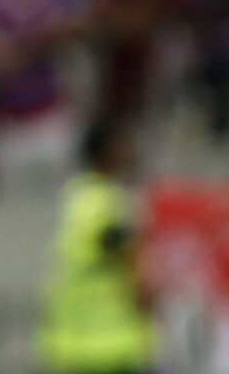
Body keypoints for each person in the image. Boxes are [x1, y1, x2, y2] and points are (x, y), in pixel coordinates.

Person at [36, 119, 155, 374]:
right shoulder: (107, 201)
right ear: (109, 151)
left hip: (70, 340)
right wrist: (145, 288)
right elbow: (121, 246)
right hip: (109, 341)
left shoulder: (74, 195)